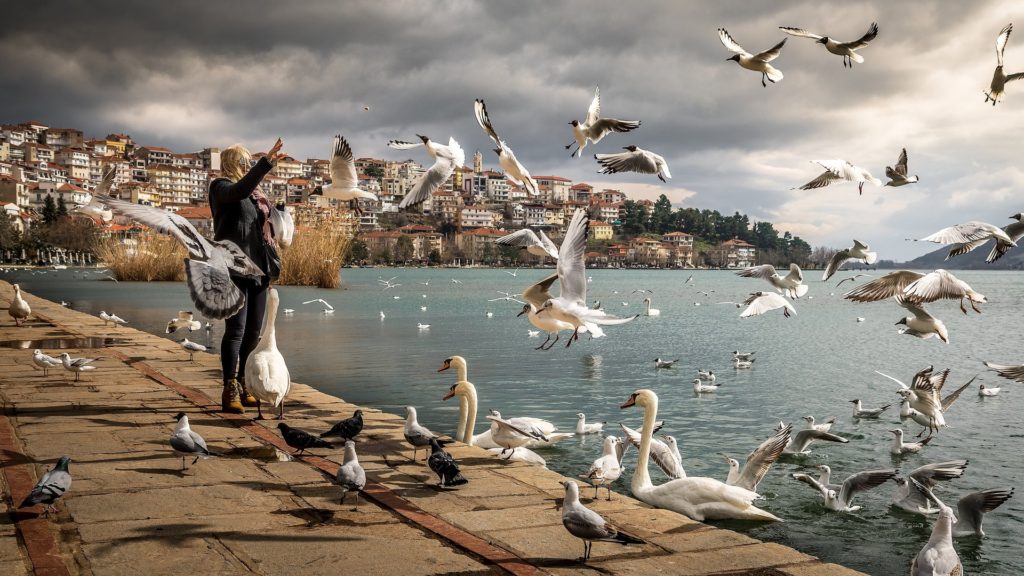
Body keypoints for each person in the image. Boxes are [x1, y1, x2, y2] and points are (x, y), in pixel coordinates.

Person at [209, 138, 286, 413]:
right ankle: (229, 387)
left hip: (259, 270)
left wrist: (280, 217)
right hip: (233, 268)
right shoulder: (220, 188)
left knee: (253, 332)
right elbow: (240, 190)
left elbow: (258, 224)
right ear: (231, 163)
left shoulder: (254, 195)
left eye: (249, 162)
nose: (246, 165)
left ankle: (243, 383)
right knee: (236, 331)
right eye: (243, 161)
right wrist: (265, 163)